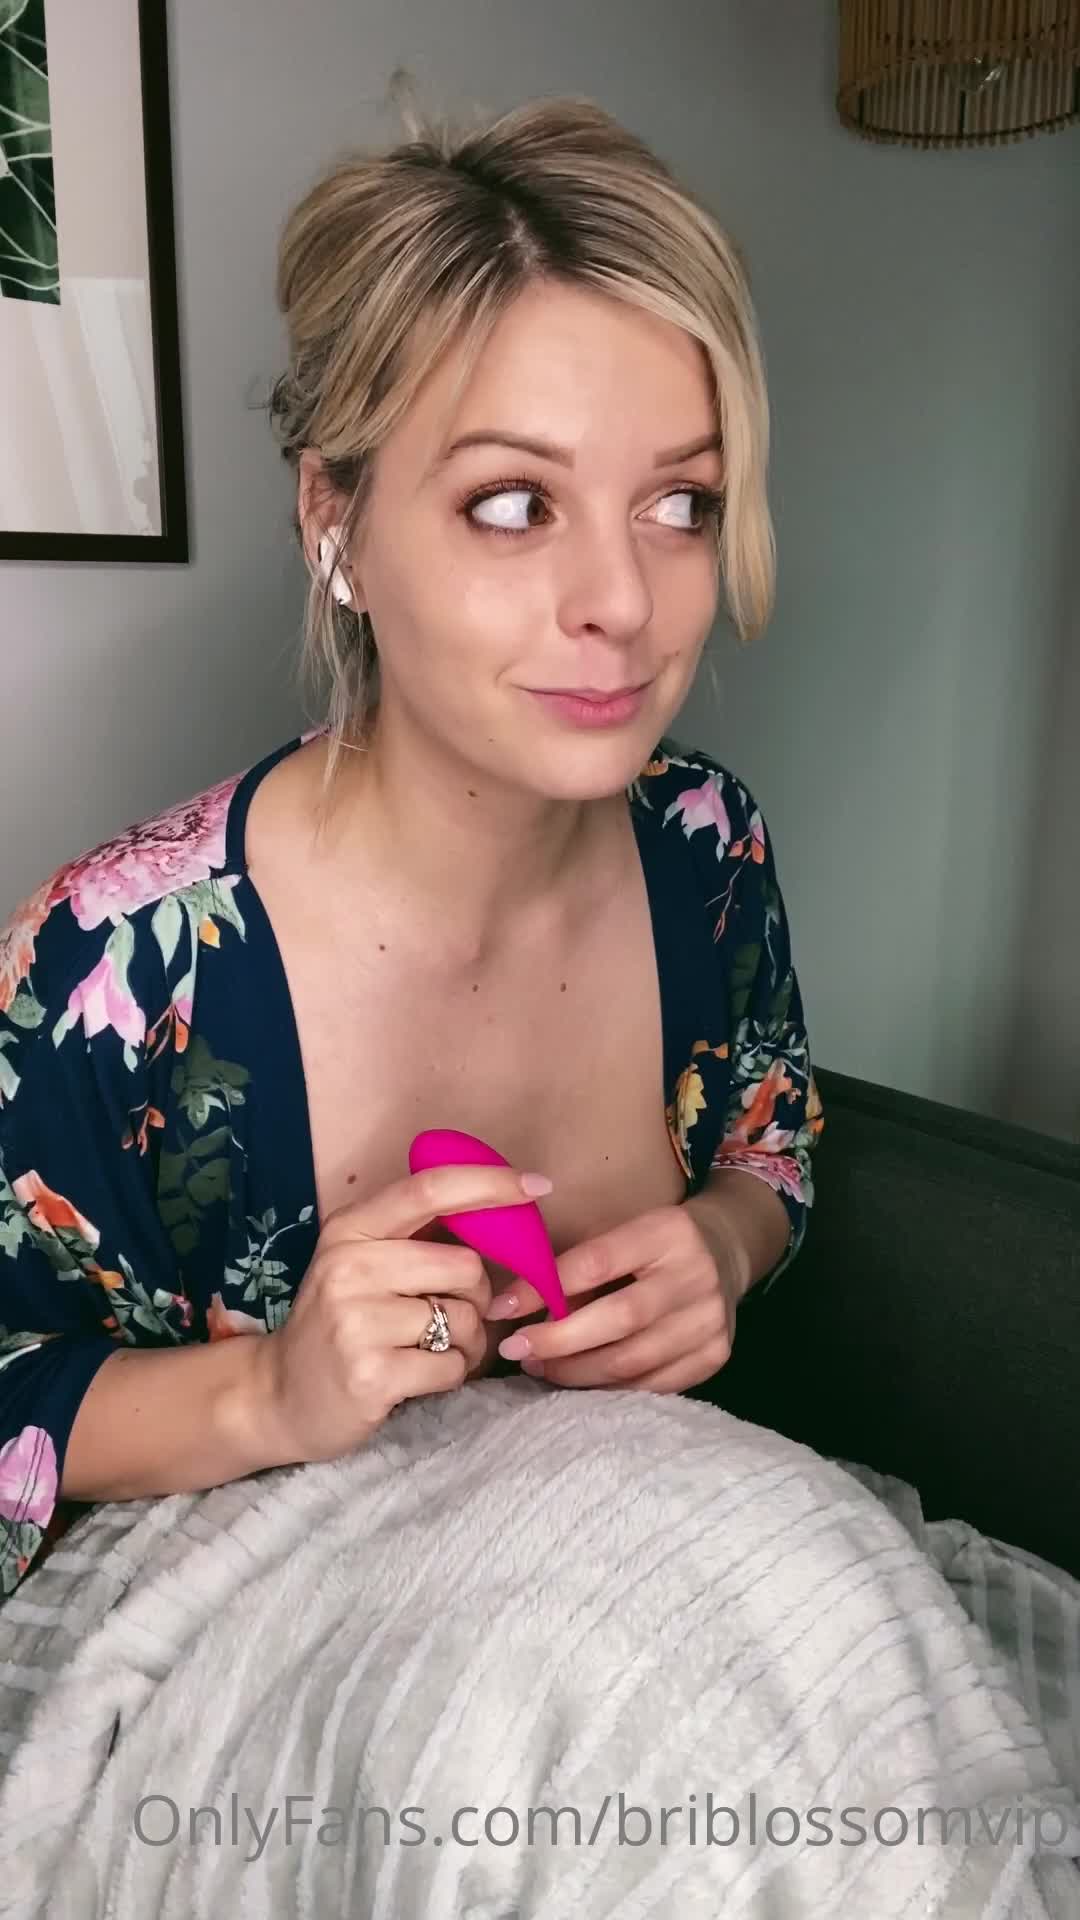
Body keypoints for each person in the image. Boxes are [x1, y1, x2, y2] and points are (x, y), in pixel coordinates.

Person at [0, 83, 823, 1600]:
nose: (623, 601)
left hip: (640, 1608)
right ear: (337, 526)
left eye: (680, 502)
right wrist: (270, 1392)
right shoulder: (113, 967)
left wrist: (723, 1241)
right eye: (513, 502)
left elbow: (773, 1139)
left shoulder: (707, 850)